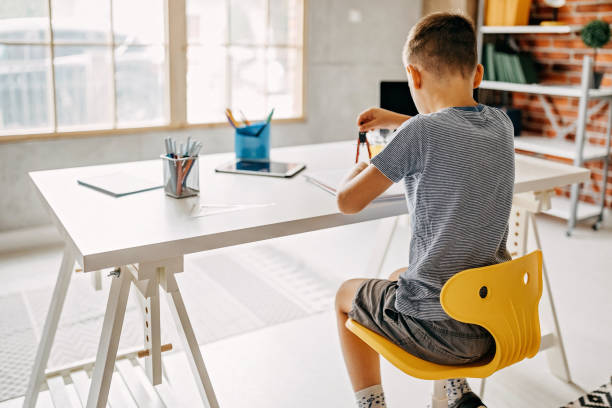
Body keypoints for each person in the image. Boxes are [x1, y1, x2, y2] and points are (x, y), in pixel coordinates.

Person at [335, 11, 515, 408]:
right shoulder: (502, 125)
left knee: (345, 295)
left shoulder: (418, 133)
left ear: (413, 77)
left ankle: (372, 405)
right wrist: (398, 121)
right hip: (492, 324)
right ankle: (455, 392)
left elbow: (348, 202)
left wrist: (358, 170)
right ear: (479, 73)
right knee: (400, 274)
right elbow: (452, 127)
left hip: (438, 334)